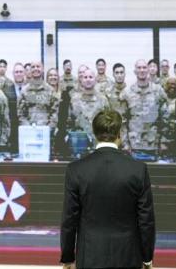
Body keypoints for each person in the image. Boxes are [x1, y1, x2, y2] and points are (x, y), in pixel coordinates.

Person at [60, 109, 155, 269]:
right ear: (120, 134)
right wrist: (147, 258)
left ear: (94, 133)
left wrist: (68, 258)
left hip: (90, 256)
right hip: (128, 256)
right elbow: (146, 221)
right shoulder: (138, 169)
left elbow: (69, 220)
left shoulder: (76, 169)